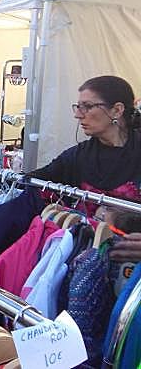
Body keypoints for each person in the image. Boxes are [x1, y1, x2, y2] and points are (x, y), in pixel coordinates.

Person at [31, 75, 141, 262]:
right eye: (78, 106)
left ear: (117, 110)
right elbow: (38, 178)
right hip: (89, 263)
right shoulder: (78, 156)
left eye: (87, 106)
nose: (78, 115)